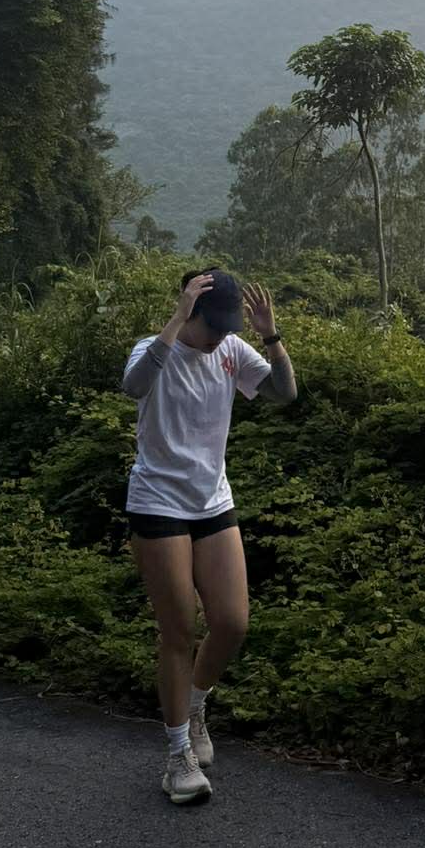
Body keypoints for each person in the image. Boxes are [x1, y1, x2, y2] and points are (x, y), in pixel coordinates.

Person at [121, 267, 297, 803]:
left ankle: (196, 708)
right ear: (190, 313)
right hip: (158, 504)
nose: (221, 334)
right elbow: (133, 387)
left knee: (232, 623)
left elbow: (284, 395)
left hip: (212, 502)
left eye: (228, 325)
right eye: (212, 324)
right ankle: (177, 758)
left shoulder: (233, 350)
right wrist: (175, 321)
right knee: (180, 629)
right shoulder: (153, 349)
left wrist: (271, 335)